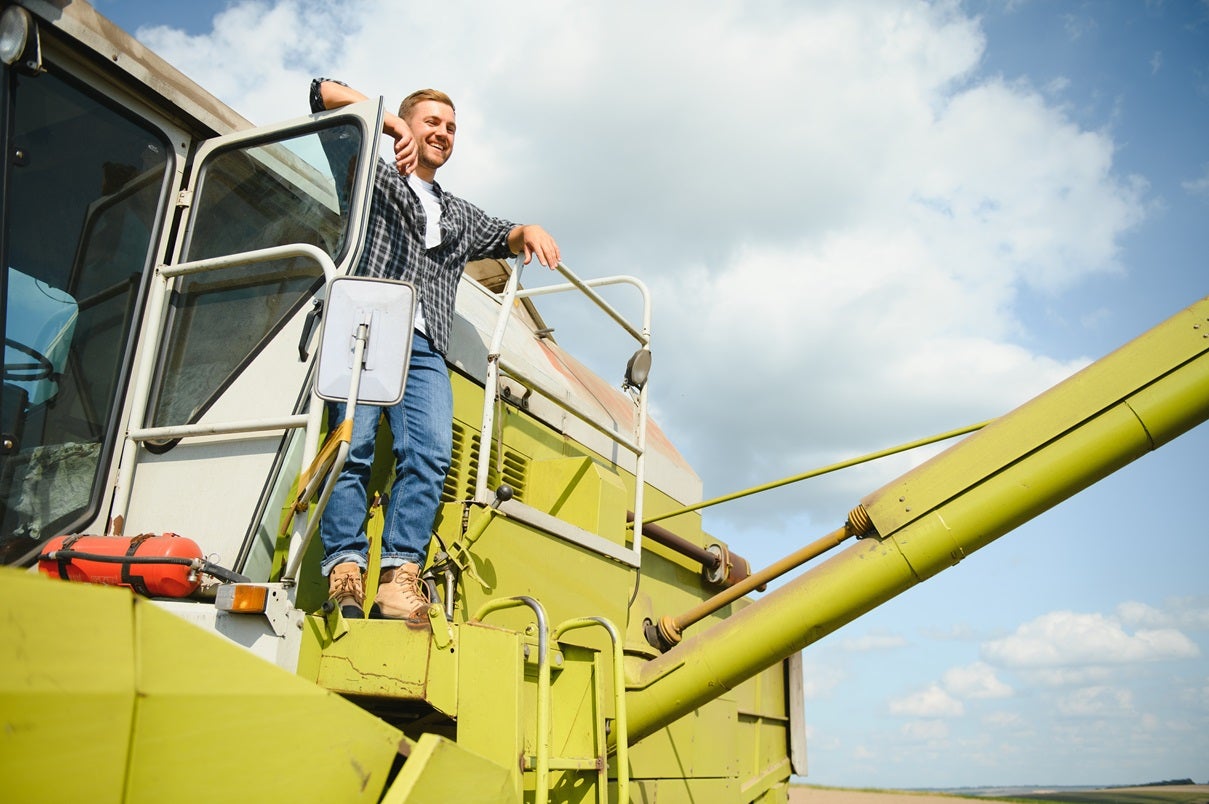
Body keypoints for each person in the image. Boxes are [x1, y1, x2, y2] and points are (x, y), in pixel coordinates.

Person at [310, 78, 560, 621]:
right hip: (367, 326)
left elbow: (506, 233)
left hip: (425, 347)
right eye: (431, 122)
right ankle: (344, 567)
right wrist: (387, 121)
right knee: (352, 449)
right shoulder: (370, 175)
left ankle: (400, 577)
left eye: (451, 127)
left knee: (429, 456)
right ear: (406, 124)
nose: (443, 134)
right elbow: (321, 94)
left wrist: (530, 228)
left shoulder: (458, 212)